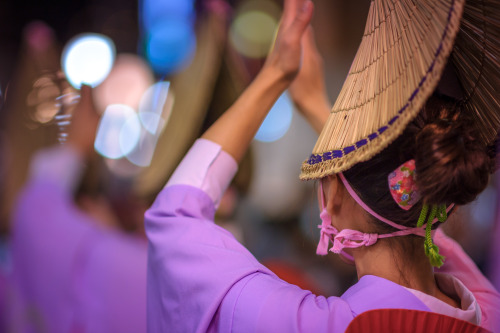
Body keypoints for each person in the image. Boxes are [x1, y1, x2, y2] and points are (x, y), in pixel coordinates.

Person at [145, 0, 500, 332]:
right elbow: (413, 212)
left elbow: (173, 218)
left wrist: (274, 76)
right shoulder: (487, 311)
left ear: (332, 201)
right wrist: (320, 114)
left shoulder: (324, 324)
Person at [8, 86, 147, 333]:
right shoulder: (127, 266)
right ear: (87, 209)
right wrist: (109, 239)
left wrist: (74, 146)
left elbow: (36, 211)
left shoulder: (35, 234)